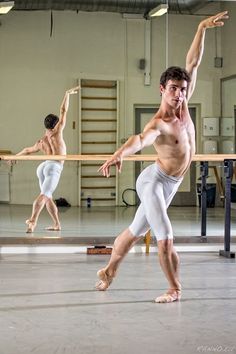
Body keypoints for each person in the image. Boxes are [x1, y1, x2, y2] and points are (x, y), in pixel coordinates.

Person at [95, 12, 228, 303]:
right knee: (165, 237)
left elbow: (193, 61)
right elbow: (140, 140)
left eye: (182, 89)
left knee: (133, 231)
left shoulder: (185, 104)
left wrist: (201, 27)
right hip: (154, 182)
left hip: (171, 184)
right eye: (173, 90)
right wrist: (120, 153)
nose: (179, 95)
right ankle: (174, 288)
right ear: (162, 90)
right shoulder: (159, 122)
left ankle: (108, 271)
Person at [14, 86, 80, 233]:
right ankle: (33, 220)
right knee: (44, 195)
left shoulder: (41, 141)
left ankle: (57, 224)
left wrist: (15, 157)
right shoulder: (57, 133)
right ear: (56, 124)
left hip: (43, 167)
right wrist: (67, 94)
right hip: (54, 167)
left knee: (48, 196)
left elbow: (27, 150)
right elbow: (63, 110)